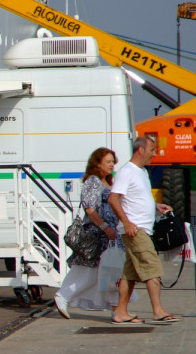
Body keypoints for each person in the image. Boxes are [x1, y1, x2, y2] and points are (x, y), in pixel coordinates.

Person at [108, 136, 180, 325]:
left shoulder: (142, 172)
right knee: (152, 267)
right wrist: (127, 222)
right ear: (140, 149)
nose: (155, 153)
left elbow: (137, 197)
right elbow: (114, 198)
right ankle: (158, 311)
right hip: (135, 229)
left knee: (130, 274)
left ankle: (121, 312)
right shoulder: (127, 171)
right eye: (152, 149)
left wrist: (156, 205)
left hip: (143, 228)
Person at [53, 147, 122, 318]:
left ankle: (117, 309)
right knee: (90, 273)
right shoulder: (93, 181)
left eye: (113, 161)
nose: (112, 165)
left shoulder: (110, 183)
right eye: (108, 161)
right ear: (97, 164)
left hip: (110, 236)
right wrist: (104, 226)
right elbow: (90, 209)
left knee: (109, 273)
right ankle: (63, 296)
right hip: (97, 234)